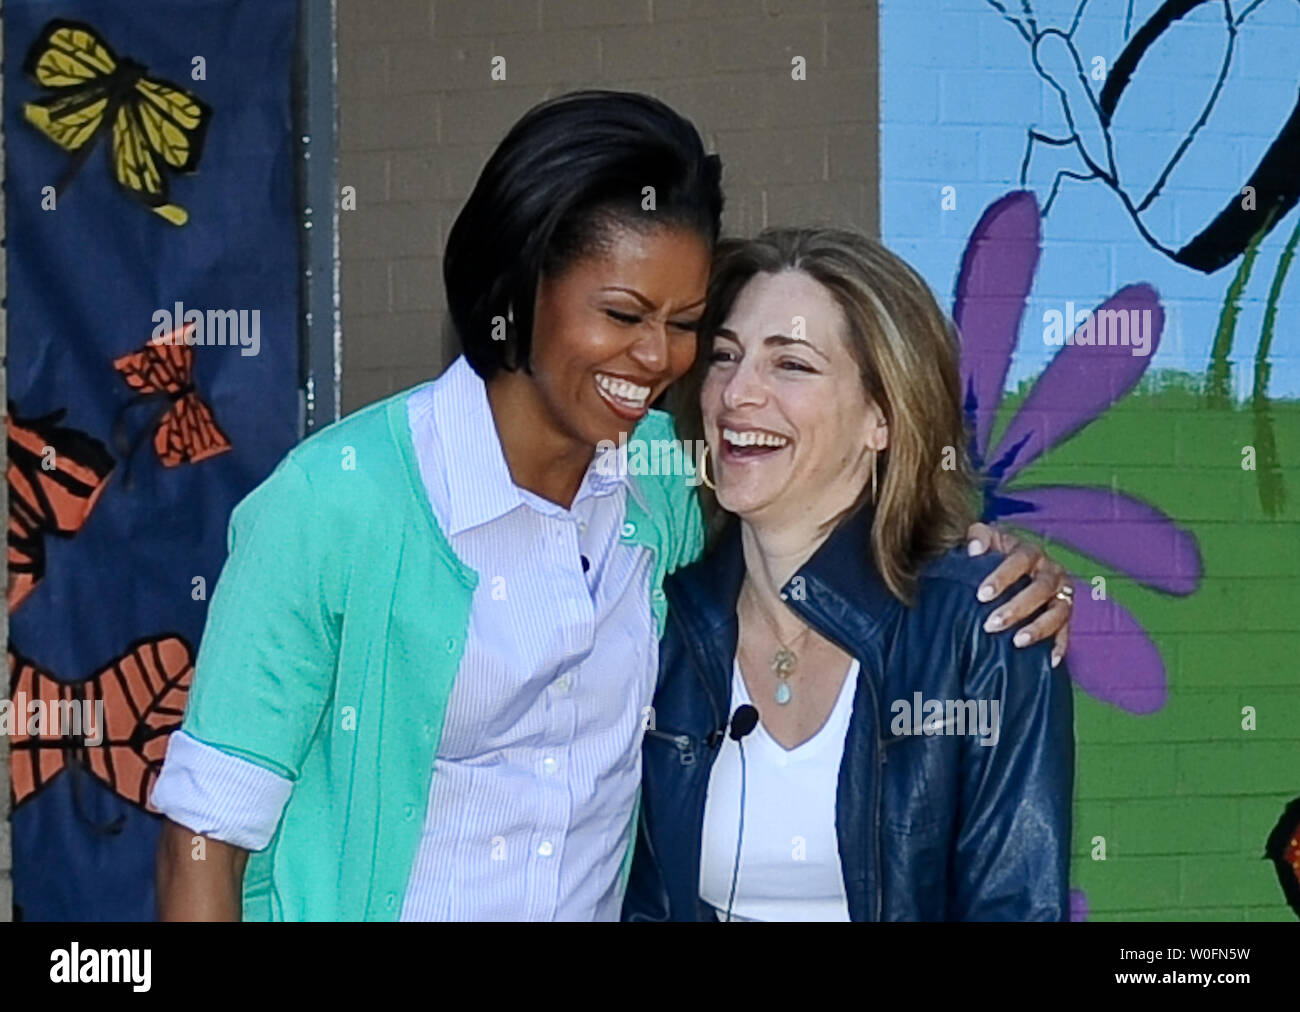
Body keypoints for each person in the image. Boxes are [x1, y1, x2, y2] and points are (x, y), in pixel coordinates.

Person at [152, 92, 1073, 921]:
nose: (661, 361)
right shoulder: (333, 507)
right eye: (624, 315)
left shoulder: (660, 483)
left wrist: (986, 560)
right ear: (519, 290)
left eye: (684, 327)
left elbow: (824, 483)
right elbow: (201, 843)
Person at [623, 227, 1074, 922]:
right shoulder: (661, 621)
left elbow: (1013, 907)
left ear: (882, 418)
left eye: (792, 366)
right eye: (724, 356)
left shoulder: (984, 625)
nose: (738, 393)